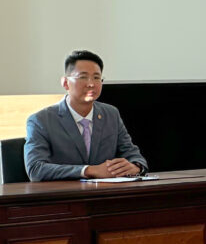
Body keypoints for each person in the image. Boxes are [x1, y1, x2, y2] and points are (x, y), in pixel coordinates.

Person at [24, 50, 148, 182]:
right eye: (83, 77)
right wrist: (89, 170)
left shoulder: (111, 114)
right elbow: (35, 169)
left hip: (106, 192)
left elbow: (133, 154)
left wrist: (135, 167)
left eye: (96, 77)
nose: (91, 84)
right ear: (65, 83)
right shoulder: (41, 120)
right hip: (65, 193)